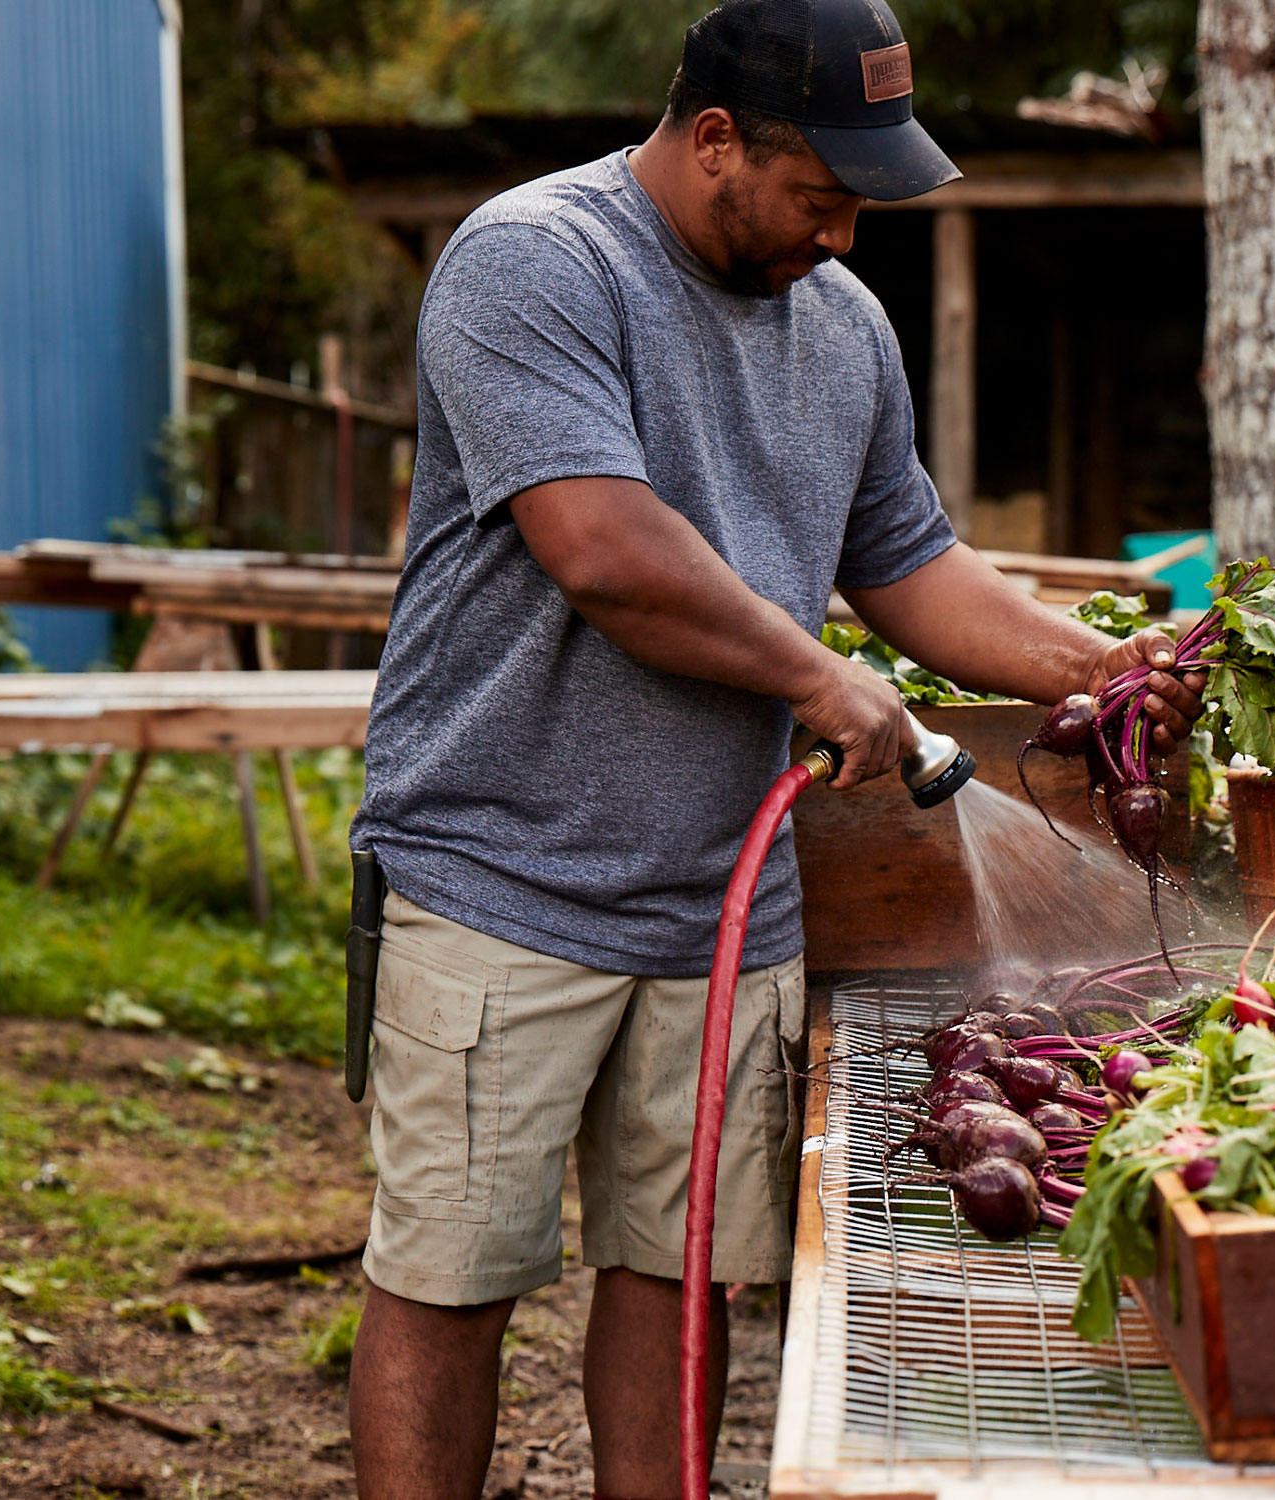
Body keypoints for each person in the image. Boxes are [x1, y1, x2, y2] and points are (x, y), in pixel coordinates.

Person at [345, 1, 1205, 1496]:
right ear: (718, 139)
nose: (845, 239)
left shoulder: (844, 327)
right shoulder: (537, 262)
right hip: (501, 877)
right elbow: (604, 549)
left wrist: (1111, 667)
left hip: (724, 909)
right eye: (823, 200)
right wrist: (825, 683)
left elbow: (912, 565)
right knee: (452, 1278)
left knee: (680, 1283)